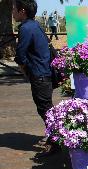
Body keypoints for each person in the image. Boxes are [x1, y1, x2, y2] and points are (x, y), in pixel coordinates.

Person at [13, 0, 58, 156]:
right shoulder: (35, 24)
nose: (12, 12)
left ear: (22, 11)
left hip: (39, 75)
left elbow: (20, 56)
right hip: (45, 73)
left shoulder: (25, 28)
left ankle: (55, 142)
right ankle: (55, 137)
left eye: (14, 8)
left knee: (45, 109)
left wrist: (25, 71)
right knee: (47, 108)